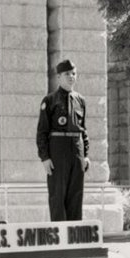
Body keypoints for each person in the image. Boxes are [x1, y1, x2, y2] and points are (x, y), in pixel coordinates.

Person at [36, 58, 89, 221]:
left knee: (76, 194)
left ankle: (74, 235)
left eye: (74, 73)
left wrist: (85, 154)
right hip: (58, 150)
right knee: (57, 194)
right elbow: (42, 132)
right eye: (67, 74)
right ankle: (60, 236)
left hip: (76, 149)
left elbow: (83, 129)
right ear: (59, 77)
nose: (71, 76)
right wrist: (45, 157)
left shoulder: (80, 100)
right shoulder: (50, 100)